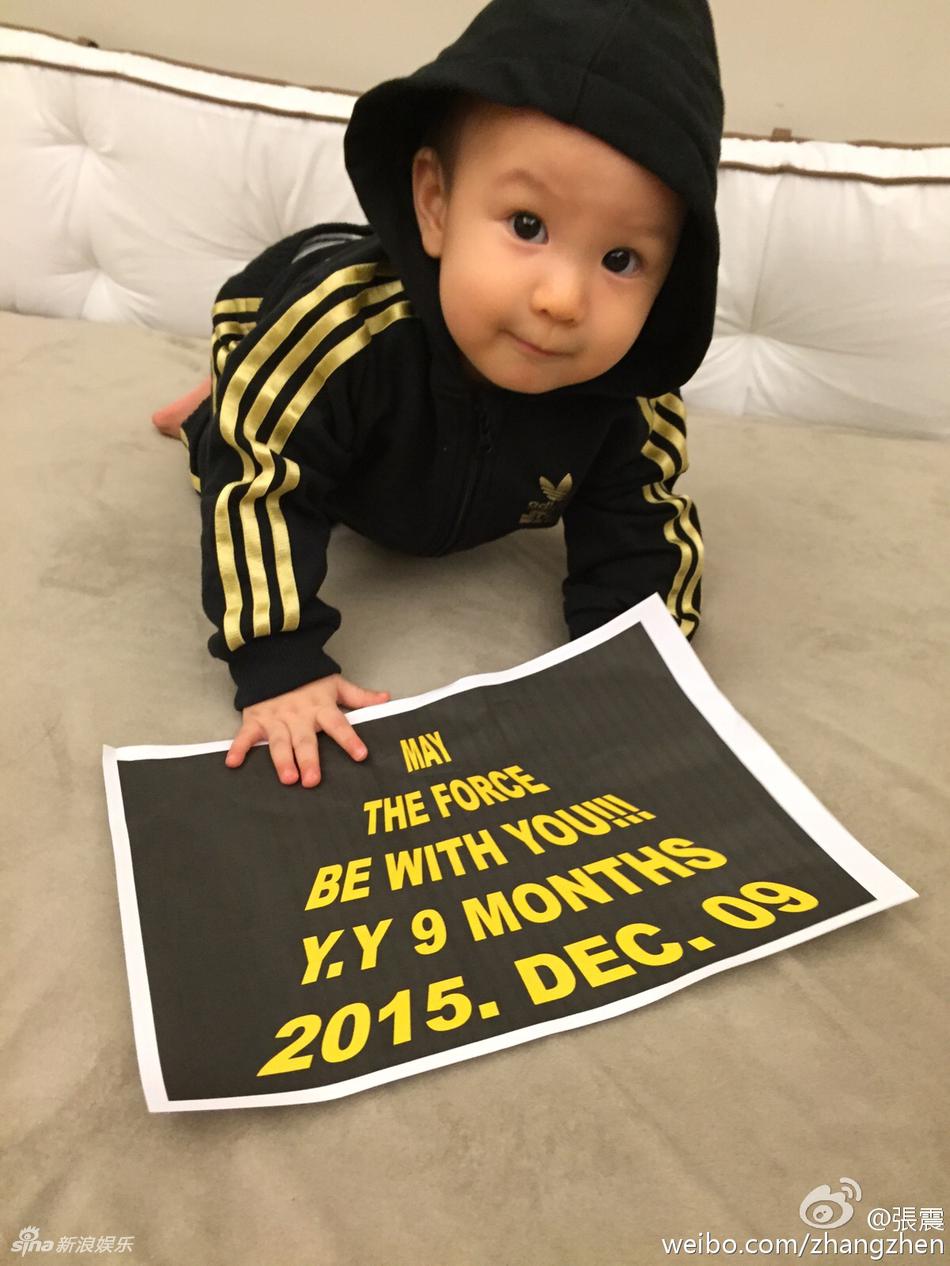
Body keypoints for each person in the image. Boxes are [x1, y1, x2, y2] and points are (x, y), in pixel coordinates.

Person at [153, 0, 724, 788]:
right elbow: (258, 482)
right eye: (527, 224)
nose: (562, 300)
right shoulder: (339, 332)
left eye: (621, 260)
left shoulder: (628, 395)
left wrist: (629, 666)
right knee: (241, 425)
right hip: (277, 305)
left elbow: (643, 525)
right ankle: (211, 397)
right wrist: (279, 663)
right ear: (435, 204)